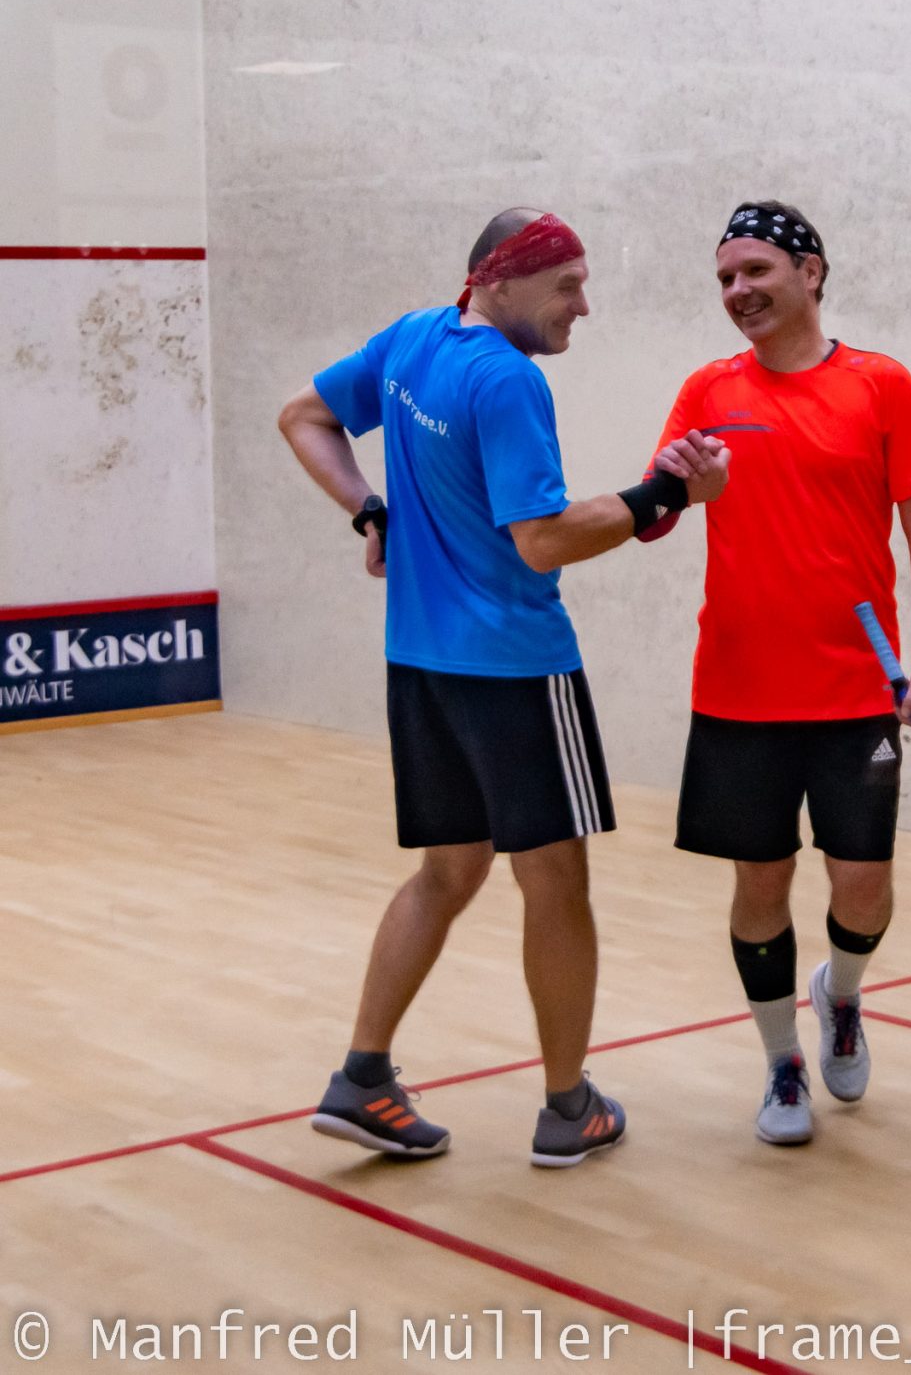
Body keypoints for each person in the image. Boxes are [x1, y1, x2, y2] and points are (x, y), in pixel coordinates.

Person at [276, 207, 729, 1167]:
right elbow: (544, 539)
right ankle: (569, 1107)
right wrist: (667, 494)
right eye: (567, 285)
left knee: (448, 872)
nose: (583, 306)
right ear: (501, 278)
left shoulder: (413, 340)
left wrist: (369, 510)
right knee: (555, 882)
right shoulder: (507, 379)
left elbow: (302, 416)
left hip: (422, 664)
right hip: (516, 671)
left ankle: (362, 1077)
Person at [647, 200, 911, 1145]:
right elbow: (654, 513)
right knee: (761, 880)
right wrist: (678, 488)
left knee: (863, 882)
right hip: (739, 688)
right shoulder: (707, 390)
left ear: (810, 272)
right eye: (725, 278)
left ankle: (842, 993)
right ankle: (782, 1058)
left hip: (857, 686)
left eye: (755, 271)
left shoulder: (881, 384)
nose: (737, 291)